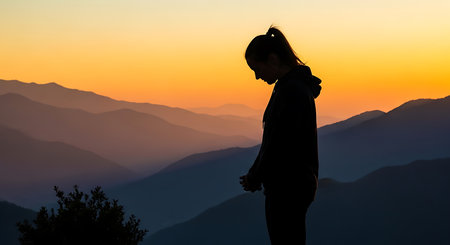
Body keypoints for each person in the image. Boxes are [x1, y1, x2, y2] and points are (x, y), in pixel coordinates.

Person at [240, 26, 322, 245]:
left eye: (257, 68)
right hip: (294, 185)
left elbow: (278, 144)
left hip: (288, 188)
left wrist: (255, 176)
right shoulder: (290, 88)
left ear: (273, 59)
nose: (257, 76)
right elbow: (273, 140)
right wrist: (255, 174)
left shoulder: (291, 92)